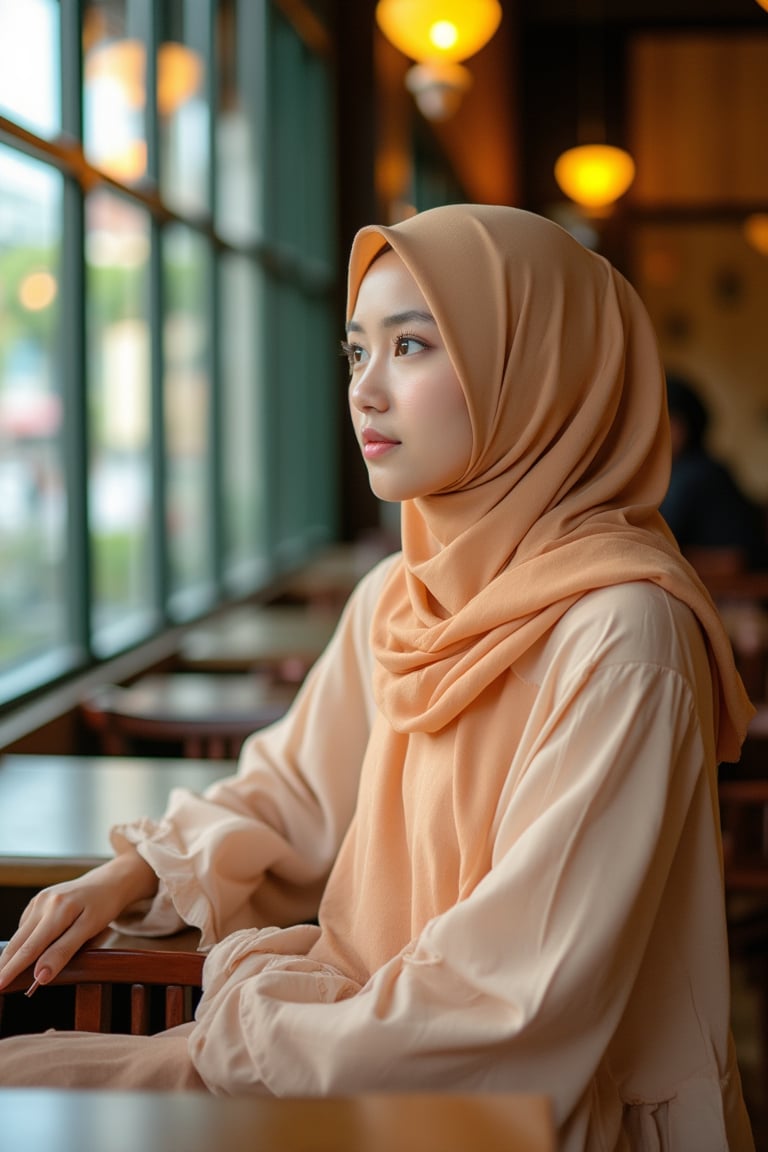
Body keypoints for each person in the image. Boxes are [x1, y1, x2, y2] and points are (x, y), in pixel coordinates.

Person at [0, 205, 757, 1151]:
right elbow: (293, 793)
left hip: (519, 1111)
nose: (366, 390)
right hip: (357, 1055)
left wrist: (244, 1033)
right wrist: (132, 873)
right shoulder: (399, 594)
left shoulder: (621, 633)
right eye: (357, 353)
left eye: (413, 346)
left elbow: (512, 1002)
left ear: (534, 370)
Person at [661, 373, 767, 572]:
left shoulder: (695, 474)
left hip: (738, 590)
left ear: (684, 426)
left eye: (663, 419)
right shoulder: (697, 469)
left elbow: (659, 538)